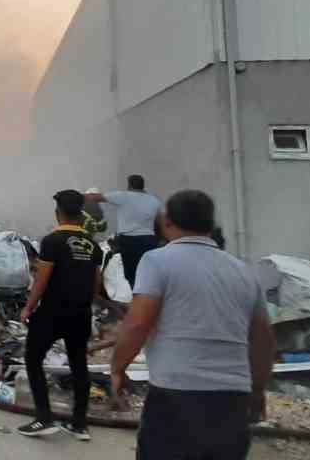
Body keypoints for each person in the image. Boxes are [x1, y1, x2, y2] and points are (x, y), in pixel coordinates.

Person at [110, 190, 274, 460]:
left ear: (167, 223)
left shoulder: (157, 261)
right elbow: (263, 339)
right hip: (232, 398)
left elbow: (138, 324)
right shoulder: (243, 271)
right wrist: (257, 389)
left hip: (176, 394)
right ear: (210, 225)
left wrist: (118, 368)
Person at [17, 189, 104, 441]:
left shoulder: (52, 241)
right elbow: (96, 284)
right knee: (79, 365)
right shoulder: (93, 244)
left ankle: (44, 418)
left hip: (53, 311)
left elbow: (41, 280)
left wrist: (28, 307)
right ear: (81, 214)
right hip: (81, 313)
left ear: (58, 213)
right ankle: (79, 425)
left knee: (33, 360)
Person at [85, 174, 162, 287]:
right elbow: (159, 222)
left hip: (129, 240)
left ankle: (135, 295)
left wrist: (75, 197)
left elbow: (95, 197)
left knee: (131, 274)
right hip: (149, 240)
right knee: (149, 273)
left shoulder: (123, 196)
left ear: (129, 185)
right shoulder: (154, 200)